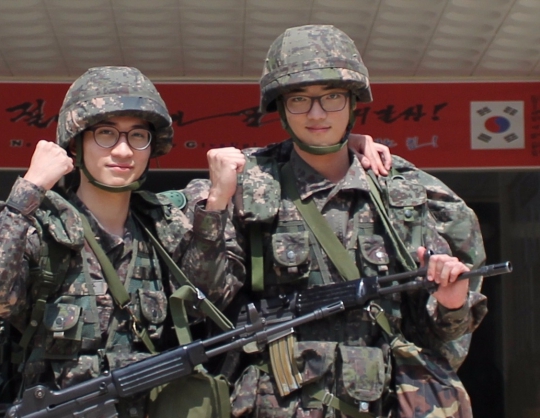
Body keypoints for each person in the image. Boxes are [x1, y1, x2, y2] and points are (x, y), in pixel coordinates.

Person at [0, 64, 388, 417]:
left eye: (137, 136)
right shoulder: (43, 227)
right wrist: (29, 188)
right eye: (105, 133)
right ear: (77, 142)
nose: (122, 151)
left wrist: (341, 146)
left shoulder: (165, 223)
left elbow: (214, 293)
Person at [179, 25, 487, 417]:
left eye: (332, 97)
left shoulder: (403, 193)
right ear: (281, 107)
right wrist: (216, 204)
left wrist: (451, 301)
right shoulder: (246, 185)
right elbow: (203, 302)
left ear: (354, 103)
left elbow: (439, 340)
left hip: (383, 403)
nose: (317, 113)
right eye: (300, 100)